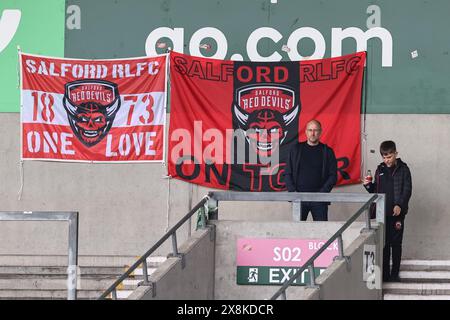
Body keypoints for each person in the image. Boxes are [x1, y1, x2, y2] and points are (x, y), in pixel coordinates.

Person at [363, 140, 412, 282]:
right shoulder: (380, 170)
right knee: (384, 245)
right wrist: (368, 186)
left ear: (395, 154)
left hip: (397, 214)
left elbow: (407, 190)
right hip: (381, 214)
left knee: (396, 244)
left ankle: (395, 274)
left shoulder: (404, 169)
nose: (387, 160)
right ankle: (384, 275)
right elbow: (375, 190)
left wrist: (399, 205)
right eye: (384, 157)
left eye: (389, 156)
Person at [284, 119, 338, 221]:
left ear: (320, 132)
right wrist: (293, 193)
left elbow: (333, 176)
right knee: (297, 231)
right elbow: (287, 173)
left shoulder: (327, 152)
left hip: (320, 199)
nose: (313, 133)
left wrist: (322, 193)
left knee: (321, 231)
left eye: (315, 130)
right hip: (299, 198)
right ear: (306, 132)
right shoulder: (295, 149)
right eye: (310, 130)